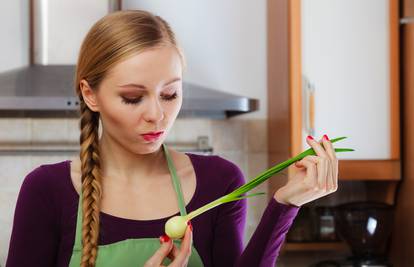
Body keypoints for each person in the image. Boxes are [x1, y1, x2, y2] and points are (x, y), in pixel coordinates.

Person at [5, 10, 338, 267]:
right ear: (90, 94)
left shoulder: (219, 182)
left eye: (170, 94)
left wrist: (285, 204)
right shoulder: (46, 190)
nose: (157, 115)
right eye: (133, 97)